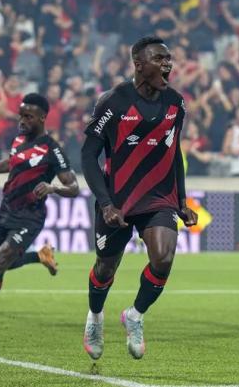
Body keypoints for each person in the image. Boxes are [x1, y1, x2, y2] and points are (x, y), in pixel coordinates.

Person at [81, 36, 198, 361]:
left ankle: (135, 315)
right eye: (159, 59)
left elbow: (174, 153)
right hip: (118, 201)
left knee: (163, 259)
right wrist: (106, 203)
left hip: (159, 198)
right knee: (105, 268)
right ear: (138, 64)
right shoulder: (113, 102)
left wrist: (182, 202)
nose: (167, 64)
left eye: (168, 59)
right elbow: (88, 156)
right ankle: (95, 318)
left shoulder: (176, 103)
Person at [0, 93, 79, 330]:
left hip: (29, 217)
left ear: (42, 118)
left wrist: (53, 187)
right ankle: (40, 256)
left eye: (28, 117)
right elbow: (9, 163)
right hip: (6, 210)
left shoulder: (53, 149)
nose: (22, 121)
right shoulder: (19, 139)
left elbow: (73, 187)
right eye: (21, 115)